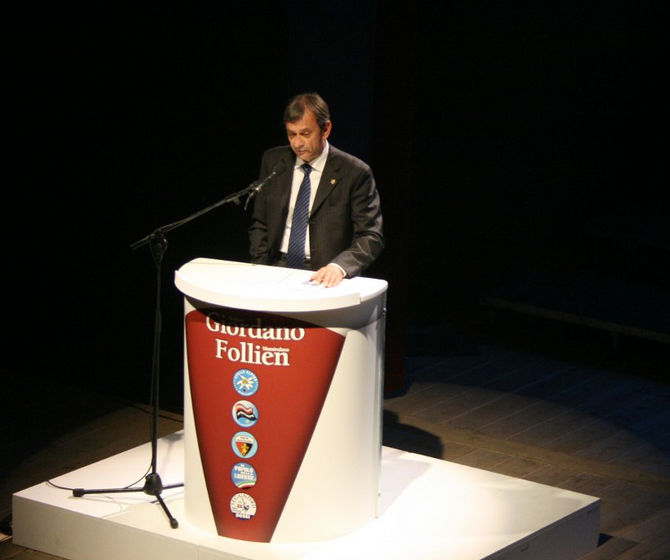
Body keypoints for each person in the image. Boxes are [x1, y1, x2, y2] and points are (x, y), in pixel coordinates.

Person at [248, 92, 384, 287]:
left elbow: (371, 235)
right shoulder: (274, 161)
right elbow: (260, 223)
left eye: (305, 134)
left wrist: (339, 267)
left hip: (325, 274)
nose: (297, 143)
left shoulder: (355, 173)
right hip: (275, 268)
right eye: (291, 134)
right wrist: (261, 265)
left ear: (326, 129)